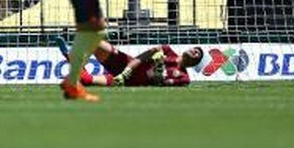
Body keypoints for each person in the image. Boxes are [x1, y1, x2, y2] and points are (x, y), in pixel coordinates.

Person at [57, 38, 203, 88]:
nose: (194, 51)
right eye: (195, 49)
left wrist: (158, 71)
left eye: (197, 54)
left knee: (86, 80)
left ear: (196, 62)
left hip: (130, 82)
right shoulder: (167, 50)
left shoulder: (184, 78)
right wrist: (126, 71)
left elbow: (160, 83)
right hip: (126, 65)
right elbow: (141, 57)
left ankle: (69, 57)